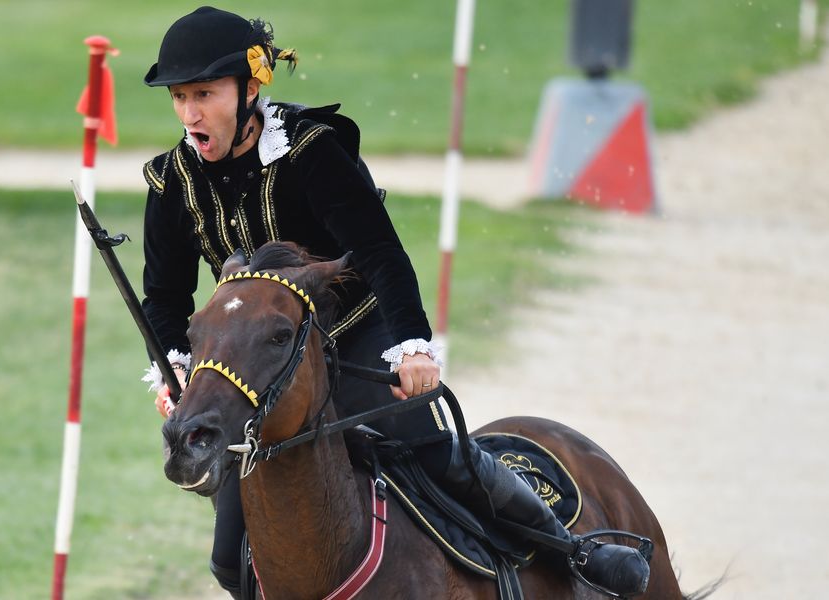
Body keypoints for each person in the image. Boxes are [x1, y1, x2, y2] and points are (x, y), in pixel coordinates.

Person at [139, 6, 650, 599]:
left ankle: (572, 549)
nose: (190, 114)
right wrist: (175, 365)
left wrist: (411, 346)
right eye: (180, 98)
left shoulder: (311, 152)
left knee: (437, 456)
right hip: (261, 365)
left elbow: (380, 252)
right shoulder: (172, 181)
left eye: (204, 94)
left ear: (250, 89)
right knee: (230, 561)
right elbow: (165, 296)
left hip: (356, 338)